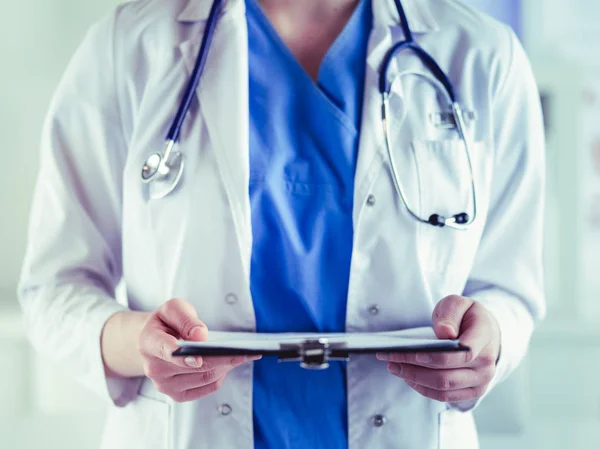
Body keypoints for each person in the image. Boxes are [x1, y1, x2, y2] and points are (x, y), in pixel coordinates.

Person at [18, 0, 546, 448]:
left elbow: (510, 287)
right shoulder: (128, 48)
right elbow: (54, 287)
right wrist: (138, 343)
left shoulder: (481, 56)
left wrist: (489, 340)